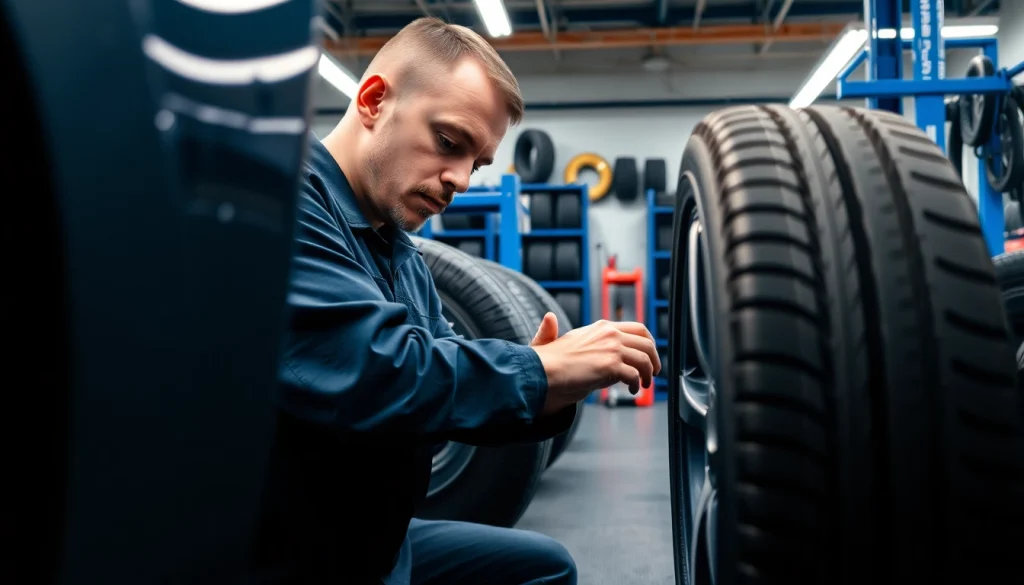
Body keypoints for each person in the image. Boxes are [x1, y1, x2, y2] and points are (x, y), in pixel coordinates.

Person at [252, 17, 661, 585]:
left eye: (478, 162)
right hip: (291, 551)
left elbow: (443, 388)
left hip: (377, 539)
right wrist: (538, 370)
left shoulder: (401, 252)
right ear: (373, 100)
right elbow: (379, 370)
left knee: (544, 568)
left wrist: (555, 387)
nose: (462, 180)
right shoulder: (281, 206)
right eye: (449, 143)